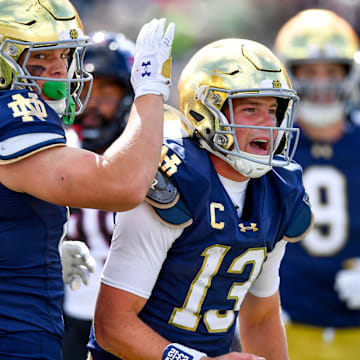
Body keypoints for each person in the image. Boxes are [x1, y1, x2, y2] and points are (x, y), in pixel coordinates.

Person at [87, 38, 314, 360]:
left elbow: (261, 317)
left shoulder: (279, 190)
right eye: (251, 109)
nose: (269, 124)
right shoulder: (172, 183)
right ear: (205, 112)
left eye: (274, 110)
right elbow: (113, 326)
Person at [0, 0, 175, 358]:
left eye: (63, 56)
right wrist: (150, 90)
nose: (58, 72)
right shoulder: (13, 116)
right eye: (39, 61)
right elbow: (122, 185)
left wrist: (22, 252)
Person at [274, 8, 360, 360]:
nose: (322, 82)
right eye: (309, 72)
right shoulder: (268, 147)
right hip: (284, 321)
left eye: (331, 71)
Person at [62, 30, 135, 360]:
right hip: (60, 315)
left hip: (134, 316)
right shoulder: (50, 150)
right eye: (86, 90)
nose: (92, 104)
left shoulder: (151, 159)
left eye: (106, 92)